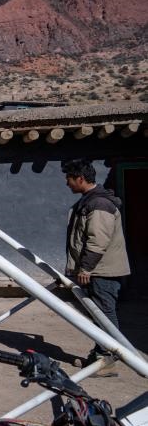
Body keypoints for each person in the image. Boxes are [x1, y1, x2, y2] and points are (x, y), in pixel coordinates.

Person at [63, 158, 131, 376]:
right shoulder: (90, 201)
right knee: (99, 314)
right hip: (97, 270)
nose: (67, 183)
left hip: (102, 271)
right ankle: (99, 355)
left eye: (69, 178)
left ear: (80, 179)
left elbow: (98, 240)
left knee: (104, 314)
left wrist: (86, 268)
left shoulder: (99, 203)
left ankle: (106, 359)